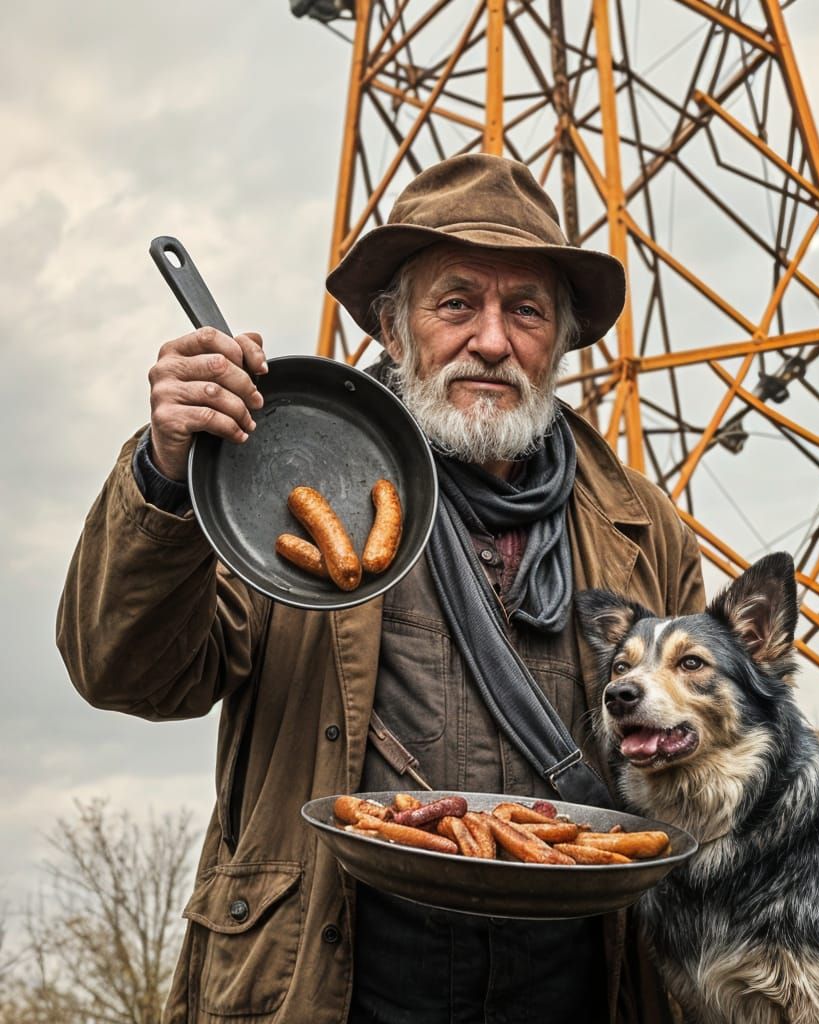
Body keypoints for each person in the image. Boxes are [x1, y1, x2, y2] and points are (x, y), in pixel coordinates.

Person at [57, 154, 704, 1024]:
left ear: (560, 340)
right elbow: (125, 671)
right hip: (339, 977)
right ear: (394, 332)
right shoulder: (288, 483)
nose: (491, 340)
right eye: (455, 302)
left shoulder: (643, 528)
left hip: (580, 980)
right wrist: (165, 473)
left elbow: (709, 756)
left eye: (525, 310)